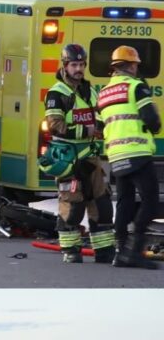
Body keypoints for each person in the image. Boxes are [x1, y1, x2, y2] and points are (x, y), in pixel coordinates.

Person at [44, 44, 115, 263]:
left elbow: (98, 116)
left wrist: (103, 127)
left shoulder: (90, 90)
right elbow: (55, 125)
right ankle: (71, 251)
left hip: (92, 160)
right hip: (69, 160)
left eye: (81, 64)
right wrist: (86, 130)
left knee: (102, 207)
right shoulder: (57, 93)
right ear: (65, 66)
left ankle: (104, 251)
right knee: (72, 208)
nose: (78, 69)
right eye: (74, 64)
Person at [97, 45, 162, 269]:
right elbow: (152, 120)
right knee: (151, 203)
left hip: (115, 155)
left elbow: (100, 125)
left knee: (124, 202)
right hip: (138, 153)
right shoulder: (137, 88)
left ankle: (120, 252)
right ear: (132, 66)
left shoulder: (104, 93)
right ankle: (134, 251)